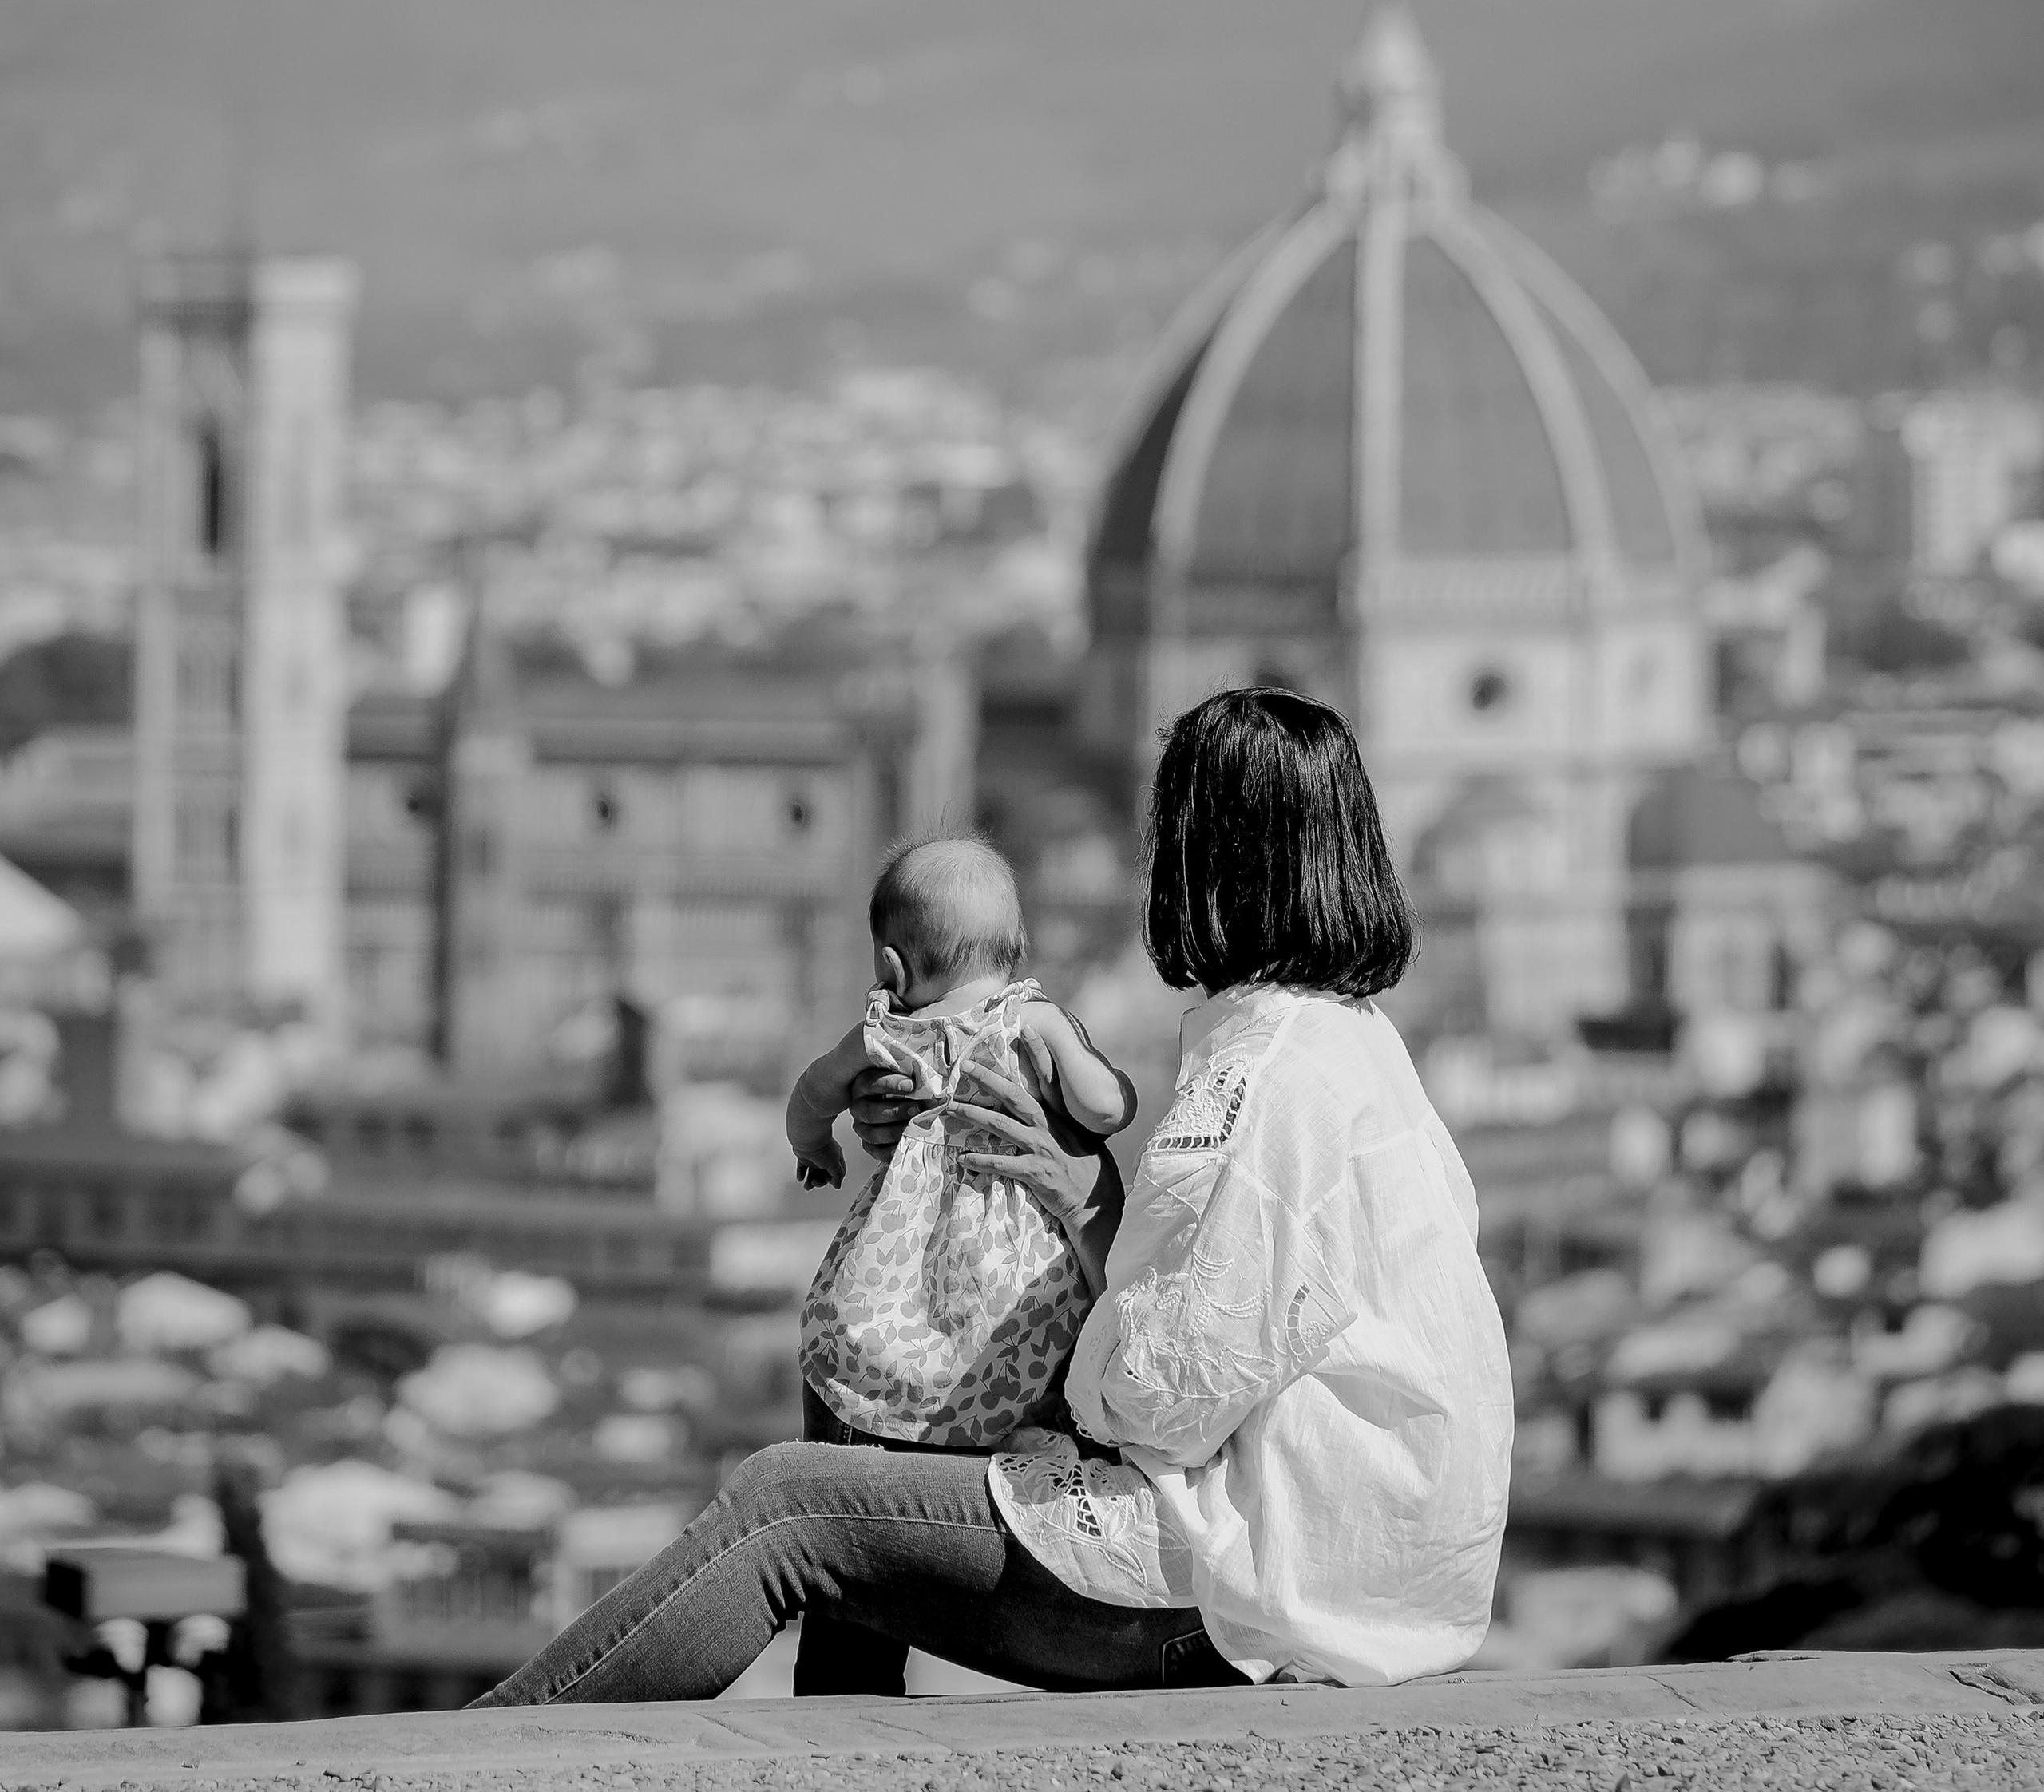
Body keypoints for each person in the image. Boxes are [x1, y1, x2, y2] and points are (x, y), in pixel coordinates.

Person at [473, 689, 1513, 1705]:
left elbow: (1159, 1398)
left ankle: (474, 1754)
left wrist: (1077, 1240)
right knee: (873, 1436)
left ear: (1208, 862)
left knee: (784, 1502)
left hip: (1245, 1596)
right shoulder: (1358, 1050)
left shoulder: (1259, 1079)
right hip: (1355, 1581)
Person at [788, 833, 1135, 1449]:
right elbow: (1106, 1107)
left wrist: (814, 1144)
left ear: (892, 966)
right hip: (1007, 1279)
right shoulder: (1028, 1020)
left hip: (899, 1270)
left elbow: (811, 1092)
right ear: (1016, 947)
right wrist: (1109, 1084)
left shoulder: (884, 1034)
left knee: (871, 1341)